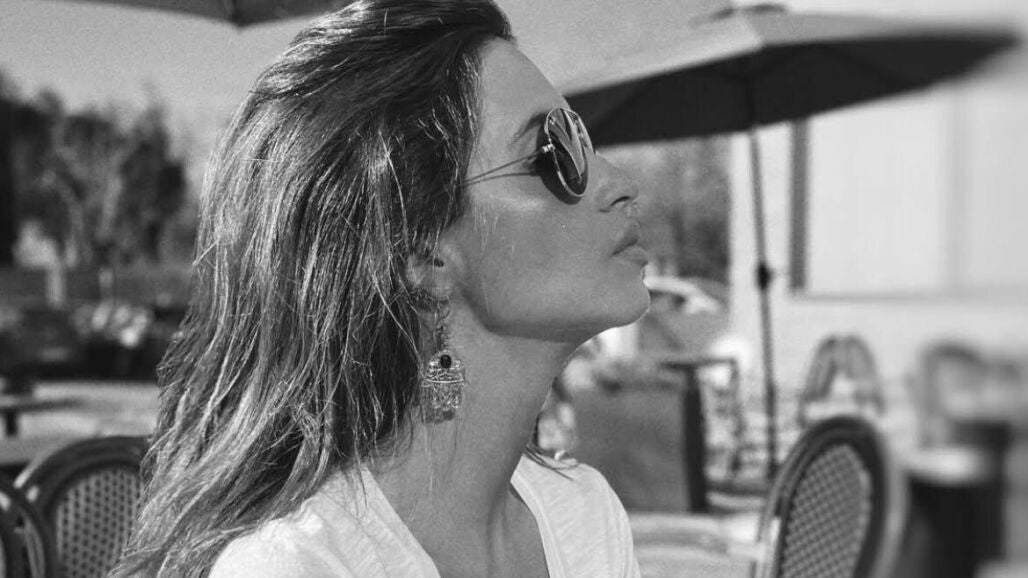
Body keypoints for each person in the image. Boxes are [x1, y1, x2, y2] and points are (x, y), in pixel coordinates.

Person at [114, 0, 649, 576]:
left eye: (583, 136)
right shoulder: (302, 566)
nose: (621, 182)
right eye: (555, 150)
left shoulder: (585, 519)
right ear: (424, 253)